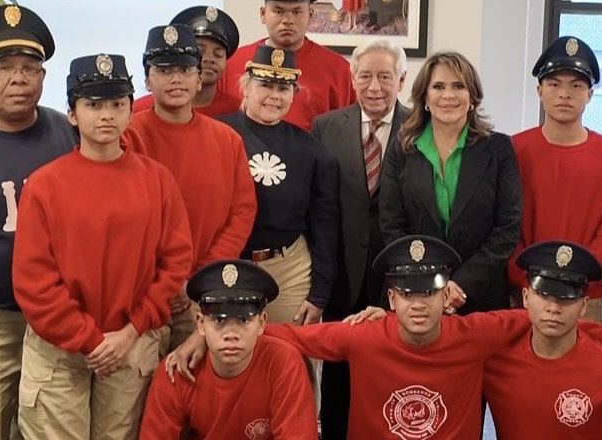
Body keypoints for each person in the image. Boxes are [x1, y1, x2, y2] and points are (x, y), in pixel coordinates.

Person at [165, 235, 602, 439]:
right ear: (391, 298)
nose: (418, 304)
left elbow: (550, 317)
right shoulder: (362, 336)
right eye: (406, 294)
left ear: (447, 295)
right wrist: (205, 336)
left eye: (428, 293)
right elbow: (285, 335)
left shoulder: (476, 334)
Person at [12, 53, 193, 440]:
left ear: (130, 110)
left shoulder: (157, 181)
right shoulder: (44, 185)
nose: (107, 115)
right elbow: (34, 280)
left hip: (132, 342)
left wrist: (132, 330)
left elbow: (175, 263)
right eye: (93, 106)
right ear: (72, 114)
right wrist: (90, 340)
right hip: (59, 350)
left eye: (117, 104)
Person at [123, 24, 257, 354]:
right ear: (147, 80)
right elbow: (122, 221)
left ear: (199, 79)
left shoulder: (227, 140)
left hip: (202, 292)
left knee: (192, 382)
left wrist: (199, 278)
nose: (176, 80)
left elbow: (242, 213)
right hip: (141, 293)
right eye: (164, 70)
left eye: (185, 70)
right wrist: (164, 282)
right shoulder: (126, 136)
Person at [0, 5, 76, 439]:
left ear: (43, 75)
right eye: (4, 67)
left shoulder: (67, 133)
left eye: (29, 67)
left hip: (60, 315)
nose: (18, 78)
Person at [311, 38, 408, 440]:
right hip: (343, 275)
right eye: (365, 76)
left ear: (401, 80)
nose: (374, 86)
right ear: (352, 79)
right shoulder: (326, 127)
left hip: (398, 276)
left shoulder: (419, 127)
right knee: (339, 381)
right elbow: (318, 207)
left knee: (393, 375)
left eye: (385, 76)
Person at [485, 241, 602, 439]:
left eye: (566, 299)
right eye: (543, 294)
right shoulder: (494, 360)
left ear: (584, 305)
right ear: (525, 297)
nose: (553, 308)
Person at [379, 51, 521, 316]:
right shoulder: (402, 148)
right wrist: (431, 283)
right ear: (425, 98)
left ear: (472, 97)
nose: (448, 95)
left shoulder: (499, 148)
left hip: (482, 295)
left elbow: (507, 229)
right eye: (438, 87)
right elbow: (392, 224)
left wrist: (461, 284)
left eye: (458, 86)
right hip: (416, 293)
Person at [507, 36, 602, 323]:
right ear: (539, 91)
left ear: (590, 94)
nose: (564, 94)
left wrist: (580, 276)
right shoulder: (513, 150)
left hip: (586, 296)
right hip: (526, 292)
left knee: (587, 354)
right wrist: (527, 278)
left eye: (576, 86)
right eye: (554, 84)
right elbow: (504, 225)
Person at [219, 45, 339, 328]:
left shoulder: (311, 150)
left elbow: (325, 226)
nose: (274, 96)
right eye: (265, 85)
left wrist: (320, 294)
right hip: (228, 263)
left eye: (283, 89)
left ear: (293, 94)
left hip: (289, 270)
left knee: (290, 350)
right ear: (246, 86)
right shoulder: (217, 134)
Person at [140, 260, 318, 439]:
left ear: (262, 322)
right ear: (200, 323)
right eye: (219, 320)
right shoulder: (176, 370)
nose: (231, 334)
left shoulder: (284, 363)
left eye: (243, 320)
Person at [218, 0, 355, 131]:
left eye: (296, 12)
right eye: (278, 11)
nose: (287, 20)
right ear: (263, 14)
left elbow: (349, 131)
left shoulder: (339, 70)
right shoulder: (231, 64)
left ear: (310, 15)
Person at [132, 6, 242, 117]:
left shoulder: (239, 110)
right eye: (200, 51)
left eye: (218, 54)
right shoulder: (137, 111)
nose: (209, 59)